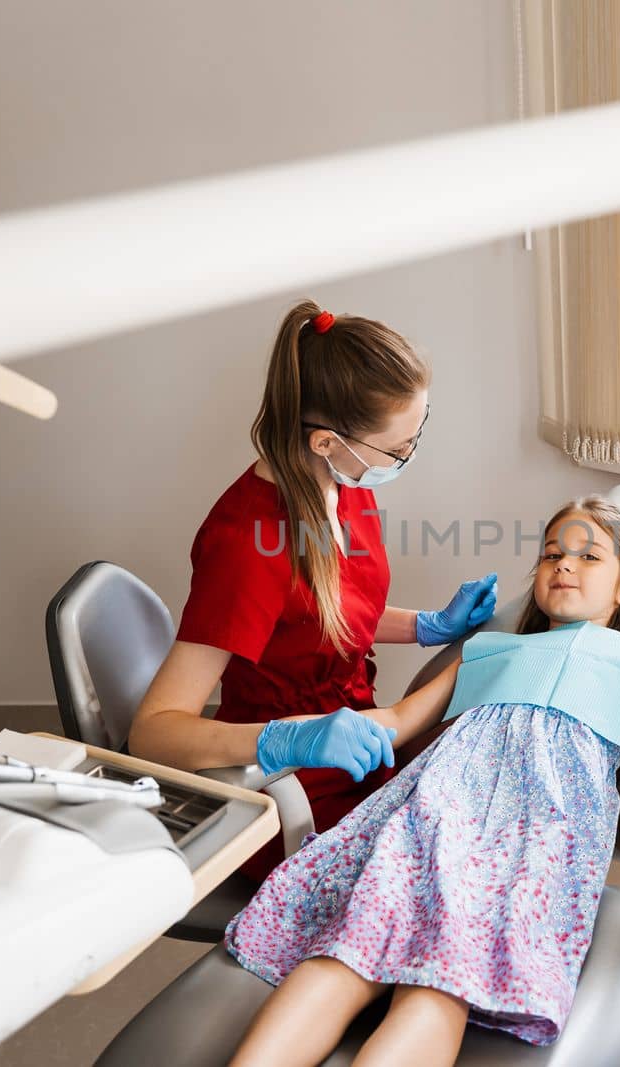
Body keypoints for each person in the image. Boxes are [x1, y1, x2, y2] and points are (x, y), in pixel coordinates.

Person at [222, 496, 620, 1067]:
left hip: (533, 839)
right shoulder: (492, 649)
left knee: (439, 981)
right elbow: (400, 721)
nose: (563, 565)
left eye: (588, 557)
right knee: (344, 952)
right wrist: (297, 733)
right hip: (433, 812)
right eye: (552, 554)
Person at [128, 299, 498, 881]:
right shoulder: (247, 546)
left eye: (416, 434)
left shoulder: (343, 485)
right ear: (327, 441)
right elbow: (153, 731)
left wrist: (428, 626)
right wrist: (288, 741)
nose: (407, 455)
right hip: (287, 788)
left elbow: (320, 617)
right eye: (398, 447)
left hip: (357, 741)